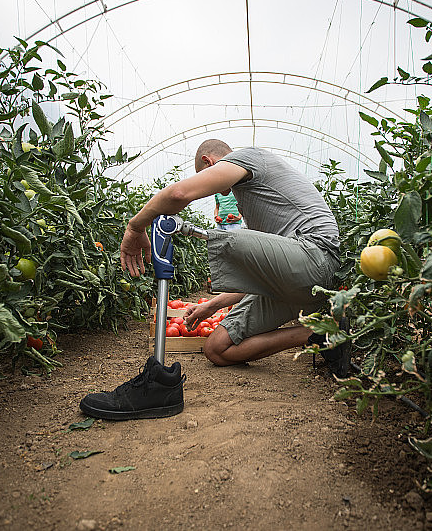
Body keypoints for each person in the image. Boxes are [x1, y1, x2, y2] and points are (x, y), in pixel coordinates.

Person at [79, 139, 348, 420]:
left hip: (317, 258)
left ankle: (155, 385)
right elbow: (265, 274)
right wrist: (210, 306)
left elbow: (180, 193)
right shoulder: (250, 201)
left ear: (209, 163)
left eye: (203, 173)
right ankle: (321, 334)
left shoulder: (249, 156)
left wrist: (135, 226)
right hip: (297, 281)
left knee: (229, 239)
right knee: (217, 349)